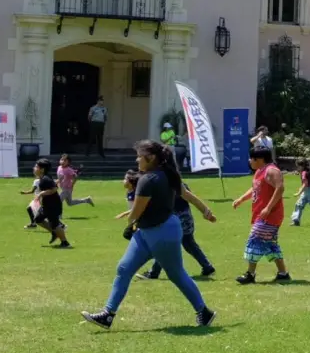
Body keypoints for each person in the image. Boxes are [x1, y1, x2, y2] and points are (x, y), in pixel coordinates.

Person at [81, 141, 216, 330]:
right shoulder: (168, 175)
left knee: (176, 274)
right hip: (148, 232)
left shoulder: (148, 180)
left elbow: (136, 212)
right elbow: (187, 195)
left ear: (151, 158)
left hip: (162, 232)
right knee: (124, 268)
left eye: (139, 155)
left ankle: (204, 312)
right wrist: (206, 211)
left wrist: (129, 225)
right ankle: (108, 315)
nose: (137, 159)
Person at [233, 146, 291, 284]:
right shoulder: (259, 171)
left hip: (270, 215)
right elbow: (255, 188)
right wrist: (241, 199)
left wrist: (268, 208)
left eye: (251, 158)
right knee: (270, 244)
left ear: (259, 159)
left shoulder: (272, 170)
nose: (249, 161)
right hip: (261, 213)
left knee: (254, 240)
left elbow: (280, 188)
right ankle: (283, 273)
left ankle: (250, 274)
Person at [140, 181, 217, 280]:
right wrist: (207, 213)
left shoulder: (163, 185)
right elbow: (192, 199)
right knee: (189, 244)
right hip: (186, 218)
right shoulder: (182, 184)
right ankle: (207, 267)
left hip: (174, 220)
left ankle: (154, 273)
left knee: (163, 245)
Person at [30, 158, 71, 248]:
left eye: (36, 167)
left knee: (55, 224)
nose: (34, 168)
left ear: (42, 169)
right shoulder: (43, 178)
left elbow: (54, 189)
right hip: (46, 205)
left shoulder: (45, 179)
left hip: (53, 205)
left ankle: (65, 242)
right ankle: (54, 233)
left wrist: (41, 193)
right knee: (38, 219)